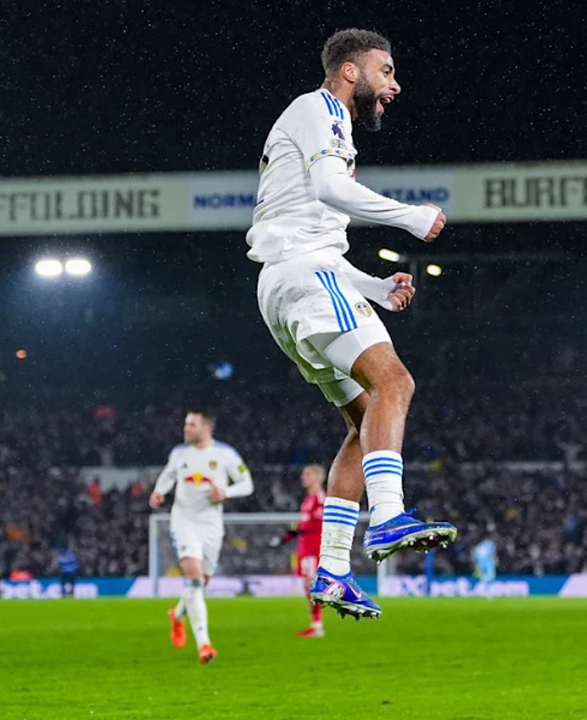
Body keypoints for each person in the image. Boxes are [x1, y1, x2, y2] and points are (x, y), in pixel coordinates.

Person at [246, 28, 457, 620]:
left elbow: (310, 222)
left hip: (290, 284)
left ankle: (334, 571)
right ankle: (389, 517)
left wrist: (373, 288)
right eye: (385, 70)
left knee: (364, 422)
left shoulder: (321, 123)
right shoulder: (322, 109)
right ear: (349, 72)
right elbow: (330, 190)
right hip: (304, 276)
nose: (394, 84)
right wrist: (412, 219)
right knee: (397, 384)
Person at [149, 411, 253, 664]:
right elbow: (168, 475)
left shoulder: (225, 455)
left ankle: (177, 615)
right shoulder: (179, 454)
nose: (185, 428)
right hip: (183, 521)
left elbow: (247, 484)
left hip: (211, 526)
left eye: (191, 424)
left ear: (206, 427)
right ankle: (204, 644)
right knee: (194, 579)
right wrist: (158, 492)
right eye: (185, 423)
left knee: (199, 584)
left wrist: (225, 491)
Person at [271, 464, 328, 636]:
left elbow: (315, 525)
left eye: (307, 474)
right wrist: (284, 539)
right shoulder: (308, 499)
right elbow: (302, 526)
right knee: (308, 585)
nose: (304, 478)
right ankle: (316, 624)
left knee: (310, 584)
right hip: (304, 547)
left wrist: (297, 531)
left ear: (318, 478)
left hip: (313, 547)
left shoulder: (319, 498)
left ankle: (317, 625)